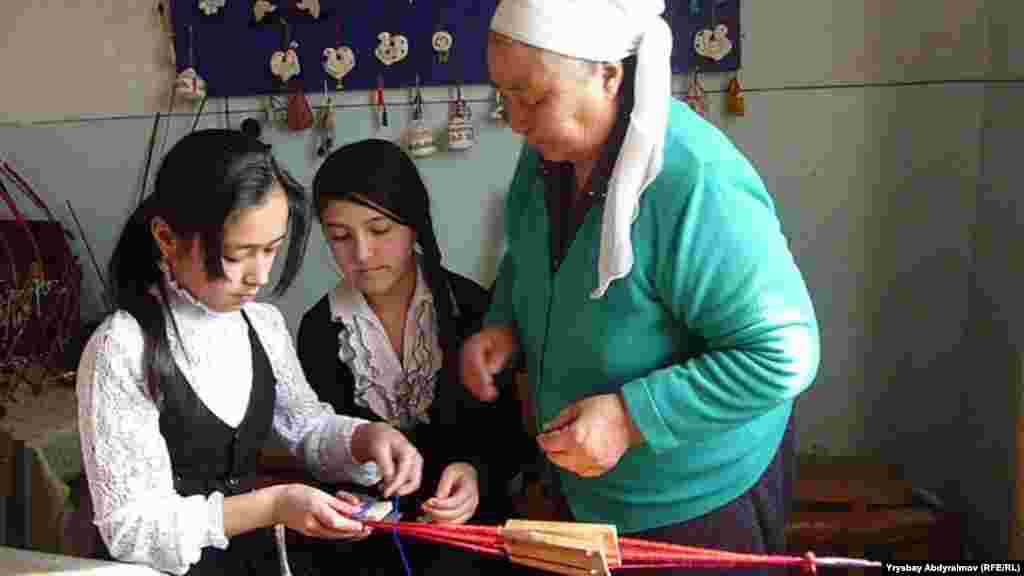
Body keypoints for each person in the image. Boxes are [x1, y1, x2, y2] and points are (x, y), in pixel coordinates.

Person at [460, 0, 820, 572]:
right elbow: (531, 256)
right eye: (502, 95)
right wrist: (505, 320)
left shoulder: (696, 183)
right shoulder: (547, 156)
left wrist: (631, 418)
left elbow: (784, 356)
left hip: (697, 502)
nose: (515, 121)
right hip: (589, 489)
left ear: (608, 73)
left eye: (531, 97)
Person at [74, 129, 424, 576]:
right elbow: (132, 529)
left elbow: (305, 427)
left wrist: (367, 440)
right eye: (238, 255)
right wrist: (273, 504)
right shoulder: (122, 346)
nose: (259, 276)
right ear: (166, 238)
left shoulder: (262, 325)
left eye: (271, 250)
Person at [296, 139, 531, 575]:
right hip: (366, 549)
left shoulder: (471, 308)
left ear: (414, 223)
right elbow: (316, 442)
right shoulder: (319, 329)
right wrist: (347, 489)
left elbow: (511, 433)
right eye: (340, 237)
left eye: (380, 230)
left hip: (470, 541)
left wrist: (475, 472)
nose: (362, 254)